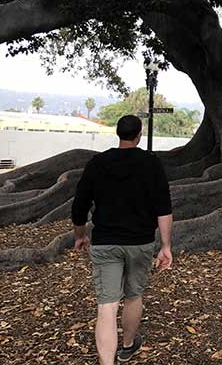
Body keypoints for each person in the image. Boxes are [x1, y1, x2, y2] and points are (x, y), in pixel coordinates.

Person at [71, 114, 173, 364]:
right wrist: (165, 246)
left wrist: (81, 236)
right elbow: (164, 208)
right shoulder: (151, 164)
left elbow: (79, 205)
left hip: (105, 242)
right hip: (140, 242)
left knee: (107, 305)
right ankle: (127, 346)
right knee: (133, 295)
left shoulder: (97, 163)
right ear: (139, 135)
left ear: (118, 133)